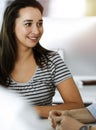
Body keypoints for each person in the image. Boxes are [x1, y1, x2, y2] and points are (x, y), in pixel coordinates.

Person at [0, 0, 84, 118]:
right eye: (28, 24)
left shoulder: (52, 60)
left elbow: (78, 106)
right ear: (12, 26)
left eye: (39, 23)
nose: (36, 31)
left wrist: (29, 111)